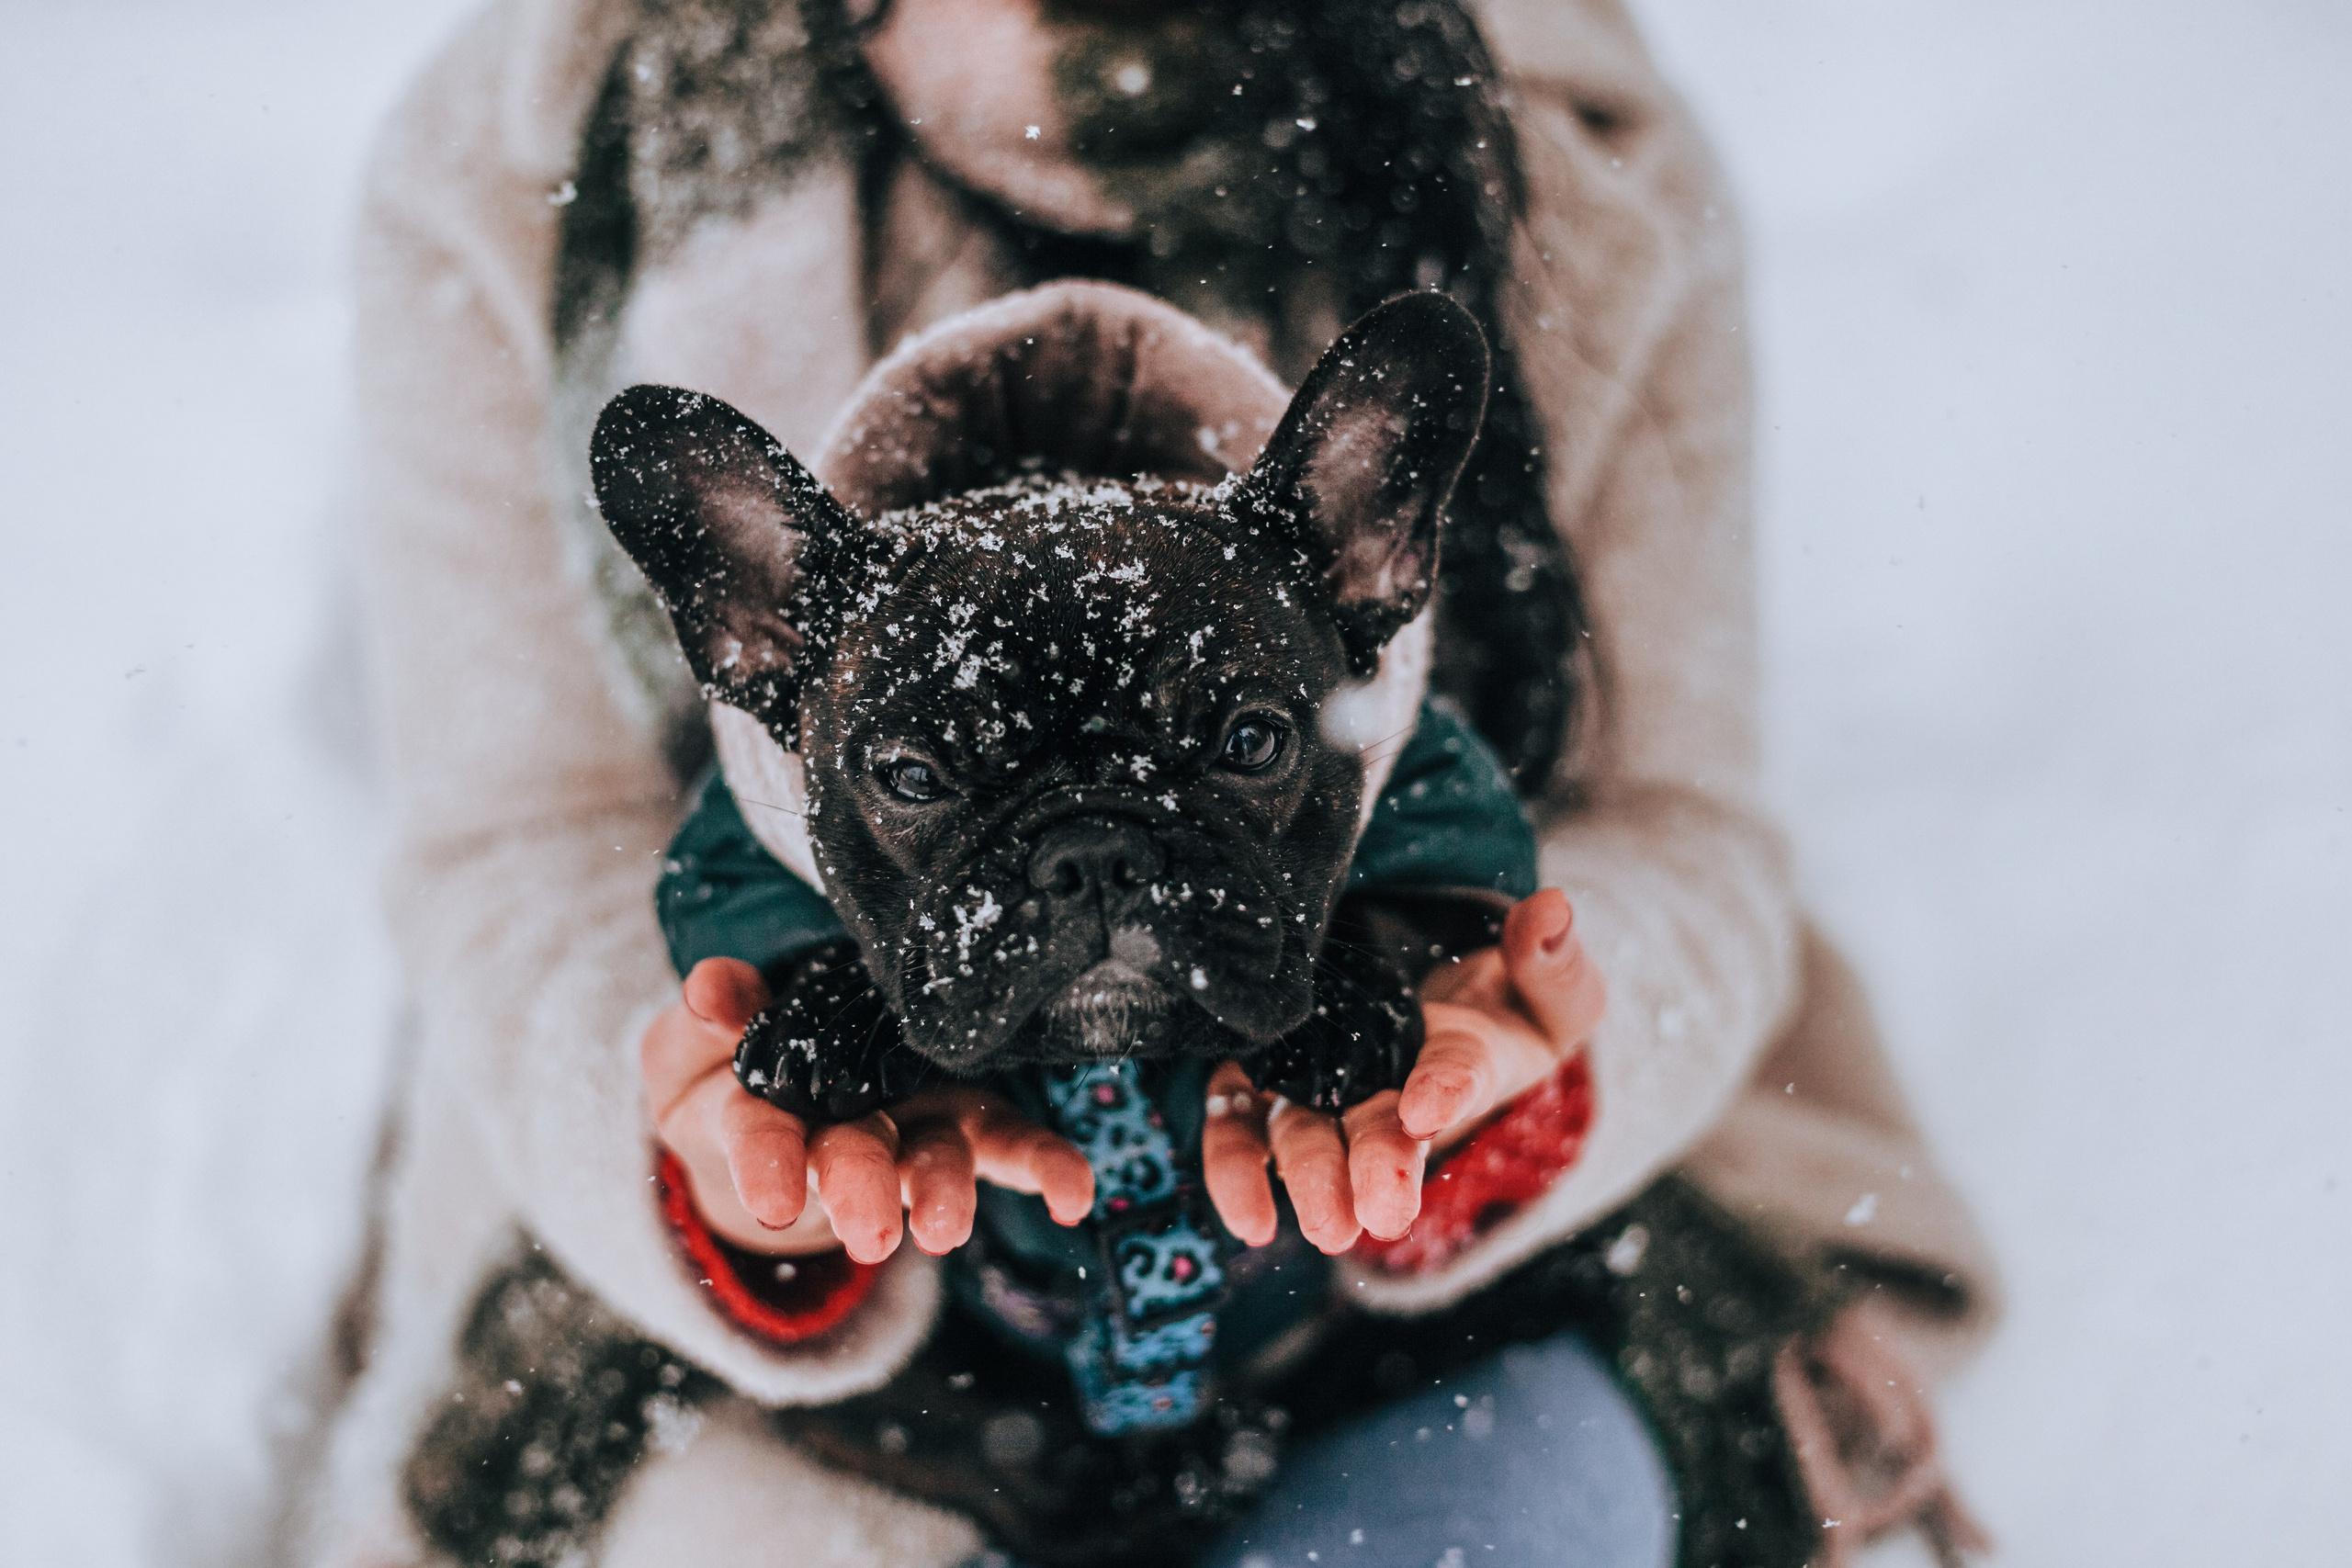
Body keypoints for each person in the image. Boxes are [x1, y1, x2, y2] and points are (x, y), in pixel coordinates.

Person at [316, 3, 2001, 1564]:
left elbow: (1678, 830)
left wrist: (1506, 1098)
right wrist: (723, 1170)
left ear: (1378, 573)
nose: (1093, 877)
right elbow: (522, 851)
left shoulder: (1570, 142)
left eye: (1248, 746)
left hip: (1414, 1317)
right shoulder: (526, 144)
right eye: (927, 778)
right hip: (799, 1350)